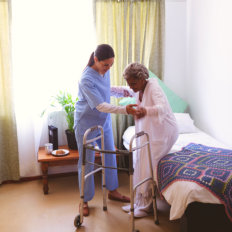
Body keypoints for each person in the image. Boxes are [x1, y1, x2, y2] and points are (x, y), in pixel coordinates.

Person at [74, 44, 137, 217]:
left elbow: (105, 89)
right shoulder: (85, 78)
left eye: (111, 65)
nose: (108, 68)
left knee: (110, 153)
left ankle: (112, 190)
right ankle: (84, 200)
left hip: (104, 121)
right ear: (96, 59)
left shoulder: (105, 70)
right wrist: (125, 110)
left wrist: (125, 92)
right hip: (86, 122)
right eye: (105, 65)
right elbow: (100, 105)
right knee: (86, 161)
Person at [121, 62, 179, 218]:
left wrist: (145, 110)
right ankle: (139, 202)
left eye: (133, 83)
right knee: (139, 161)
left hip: (165, 132)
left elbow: (162, 108)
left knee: (147, 165)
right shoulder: (138, 88)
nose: (131, 87)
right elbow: (125, 91)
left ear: (142, 79)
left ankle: (146, 206)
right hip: (152, 131)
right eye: (129, 84)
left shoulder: (153, 88)